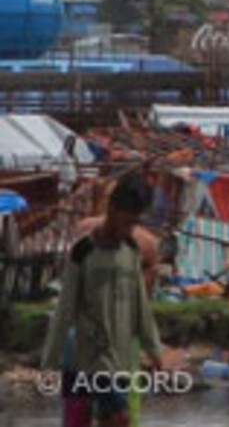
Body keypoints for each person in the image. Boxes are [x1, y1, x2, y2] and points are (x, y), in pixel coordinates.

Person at [42, 174, 164, 427]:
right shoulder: (83, 251)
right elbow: (65, 308)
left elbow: (140, 306)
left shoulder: (130, 250)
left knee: (106, 419)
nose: (130, 229)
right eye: (127, 222)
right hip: (87, 356)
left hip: (118, 357)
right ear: (112, 210)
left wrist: (154, 349)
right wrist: (50, 362)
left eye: (135, 223)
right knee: (118, 418)